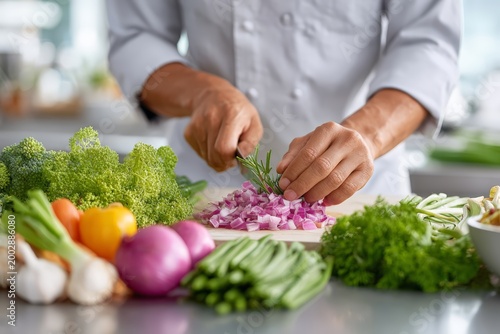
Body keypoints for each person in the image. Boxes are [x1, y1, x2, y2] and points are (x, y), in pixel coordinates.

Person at [106, 0, 461, 205]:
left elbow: (427, 43)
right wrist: (201, 92)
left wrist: (368, 135)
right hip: (206, 186)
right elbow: (136, 37)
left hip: (358, 190)